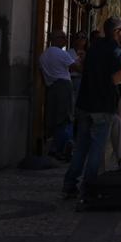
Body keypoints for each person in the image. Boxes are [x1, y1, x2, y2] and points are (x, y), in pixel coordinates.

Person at [63, 17, 121, 199]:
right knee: (96, 149)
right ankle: (89, 187)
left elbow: (86, 69)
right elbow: (116, 78)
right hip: (101, 106)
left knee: (82, 148)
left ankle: (69, 184)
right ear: (117, 32)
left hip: (84, 104)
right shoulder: (114, 50)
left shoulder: (94, 47)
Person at [39, 31, 78, 159]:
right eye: (62, 37)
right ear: (54, 39)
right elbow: (76, 67)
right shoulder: (61, 53)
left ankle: (55, 147)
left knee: (55, 117)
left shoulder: (44, 55)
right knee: (66, 117)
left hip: (51, 87)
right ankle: (63, 148)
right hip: (63, 86)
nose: (65, 40)